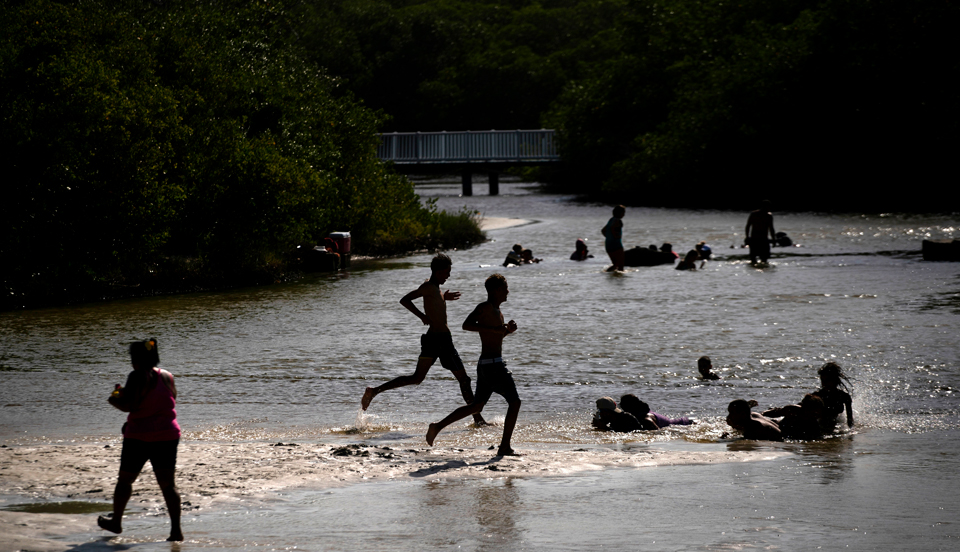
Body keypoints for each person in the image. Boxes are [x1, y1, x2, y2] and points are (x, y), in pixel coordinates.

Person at [362, 254, 486, 425]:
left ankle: (374, 391)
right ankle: (478, 419)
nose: (448, 276)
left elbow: (433, 305)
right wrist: (421, 316)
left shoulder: (436, 288)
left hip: (434, 340)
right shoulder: (428, 287)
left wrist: (444, 298)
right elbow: (405, 300)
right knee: (464, 380)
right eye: (446, 272)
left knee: (416, 378)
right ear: (437, 271)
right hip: (441, 341)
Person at [426, 274, 521, 456]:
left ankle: (437, 426)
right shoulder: (485, 307)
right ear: (495, 290)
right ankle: (504, 447)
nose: (508, 291)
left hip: (487, 365)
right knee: (515, 402)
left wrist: (507, 331)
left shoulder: (497, 311)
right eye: (505, 288)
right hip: (493, 366)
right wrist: (495, 329)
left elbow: (495, 337)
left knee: (476, 407)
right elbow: (466, 325)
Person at [99, 339, 183, 541]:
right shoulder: (168, 376)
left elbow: (130, 406)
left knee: (125, 480)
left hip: (139, 436)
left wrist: (114, 399)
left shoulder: (137, 375)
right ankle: (176, 532)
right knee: (168, 485)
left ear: (135, 358)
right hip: (167, 434)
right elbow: (166, 401)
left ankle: (116, 522)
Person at [812, 362, 854, 429]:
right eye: (822, 380)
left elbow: (850, 421)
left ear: (835, 380)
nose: (824, 383)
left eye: (828, 380)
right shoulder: (816, 396)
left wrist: (851, 437)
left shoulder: (844, 396)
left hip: (835, 425)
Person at [619, 394, 694, 429]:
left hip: (687, 424)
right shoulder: (642, 414)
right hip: (688, 422)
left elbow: (658, 432)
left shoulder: (646, 418)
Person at [745, 200, 776, 264]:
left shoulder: (755, 214)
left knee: (756, 259)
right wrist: (773, 240)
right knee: (762, 259)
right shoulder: (768, 216)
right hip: (760, 239)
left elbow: (748, 226)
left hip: (758, 239)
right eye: (768, 207)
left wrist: (747, 237)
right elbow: (771, 229)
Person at [601, 205, 626, 271]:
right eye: (623, 213)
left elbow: (603, 230)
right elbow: (613, 228)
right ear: (618, 213)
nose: (624, 215)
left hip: (608, 244)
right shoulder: (618, 221)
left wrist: (609, 237)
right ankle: (620, 279)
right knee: (621, 265)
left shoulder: (611, 220)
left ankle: (606, 273)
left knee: (615, 264)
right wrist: (616, 236)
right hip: (616, 244)